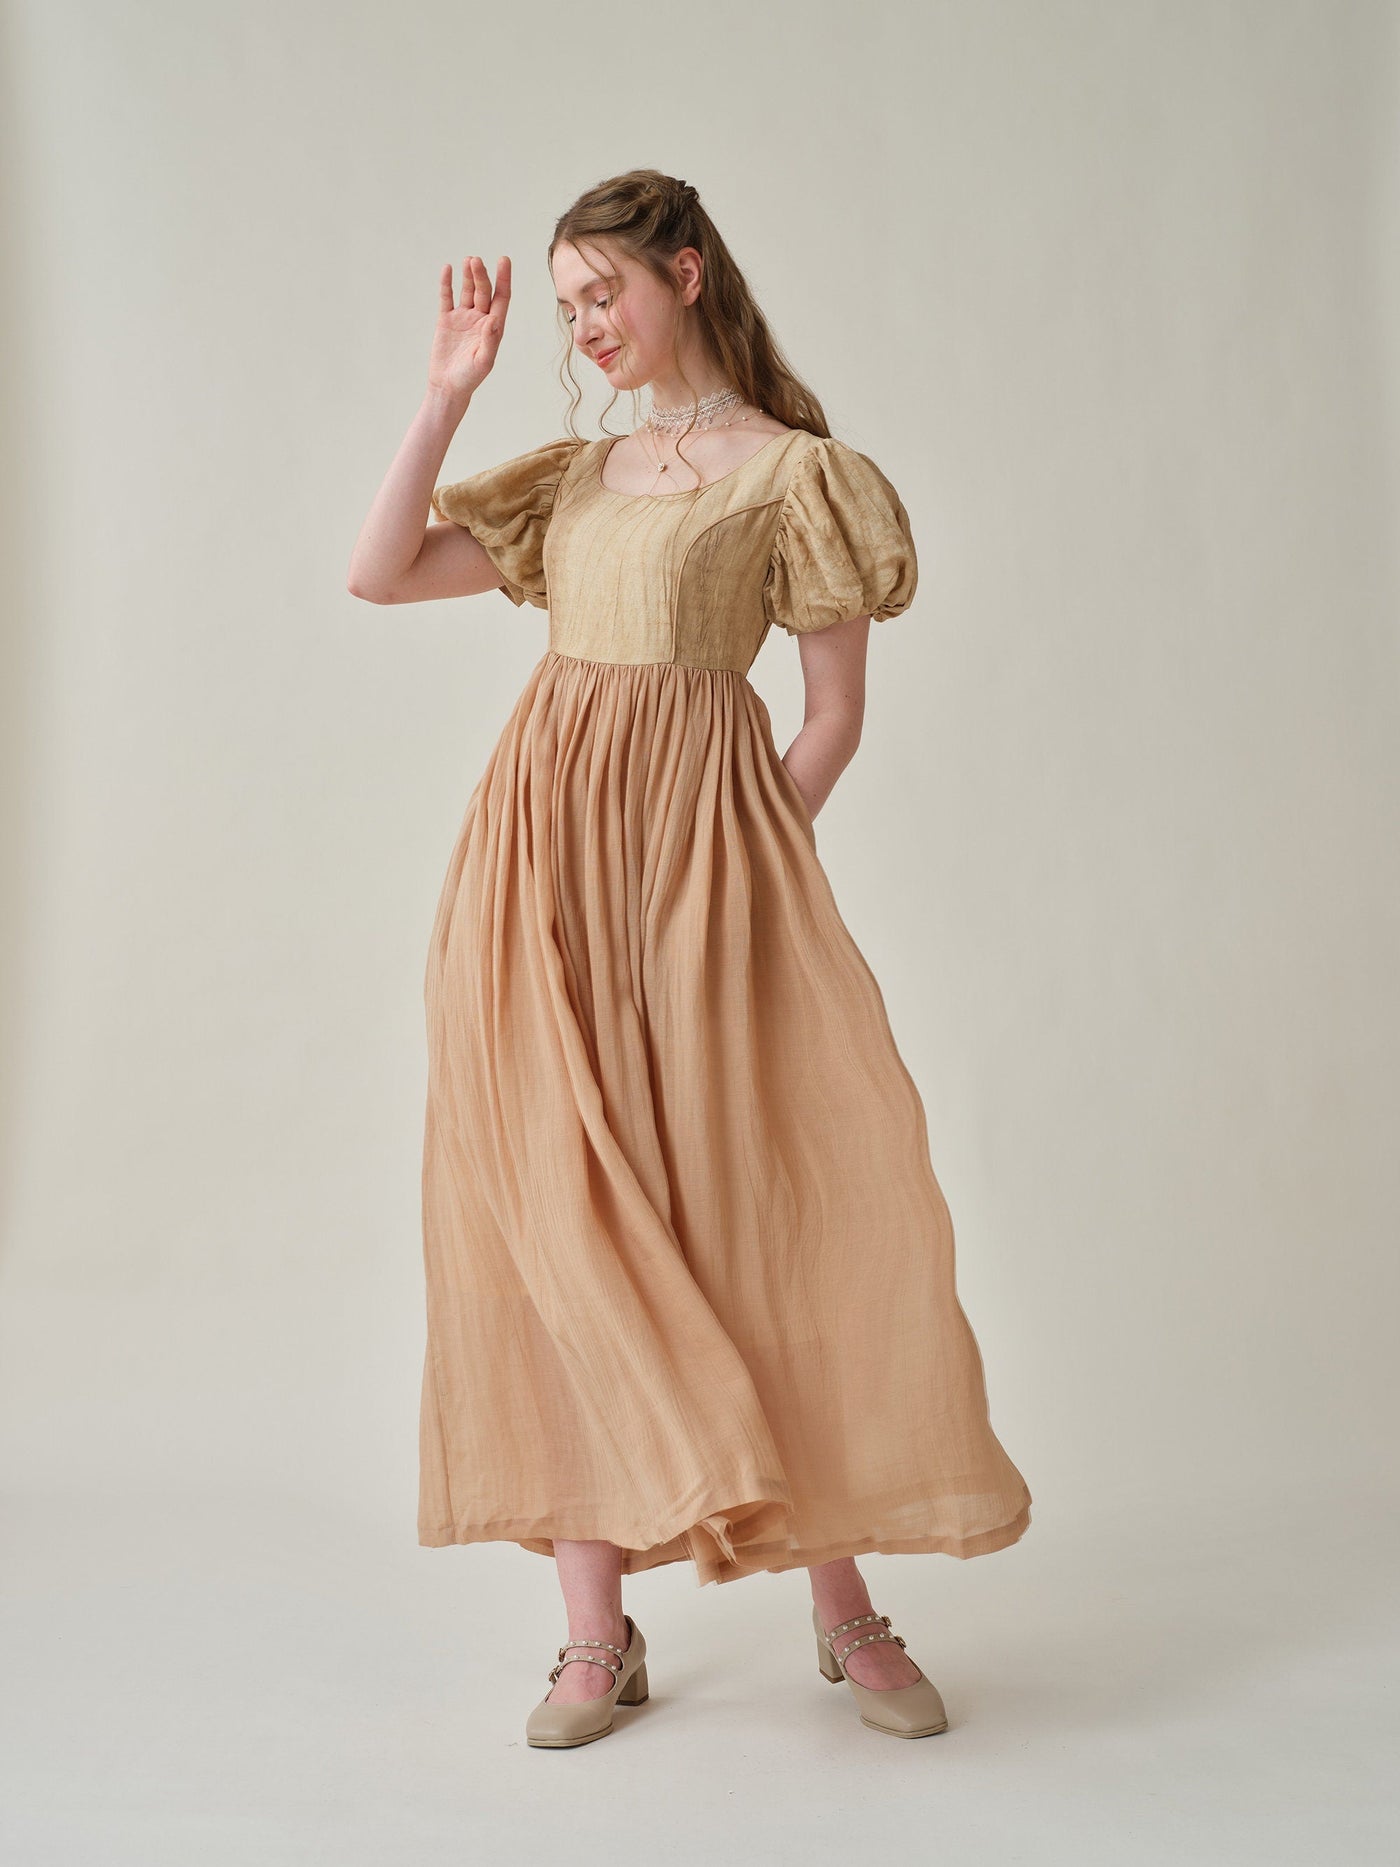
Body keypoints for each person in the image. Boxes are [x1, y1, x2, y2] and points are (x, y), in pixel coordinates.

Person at [347, 168, 1031, 1749]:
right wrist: (445, 397)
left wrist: (736, 876)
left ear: (687, 270)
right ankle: (595, 1637)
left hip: (707, 890)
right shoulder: (575, 477)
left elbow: (833, 717)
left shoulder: (798, 476)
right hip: (536, 885)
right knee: (563, 1223)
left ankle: (843, 1606)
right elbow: (381, 572)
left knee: (760, 1218)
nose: (585, 326)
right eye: (567, 306)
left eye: (605, 293)